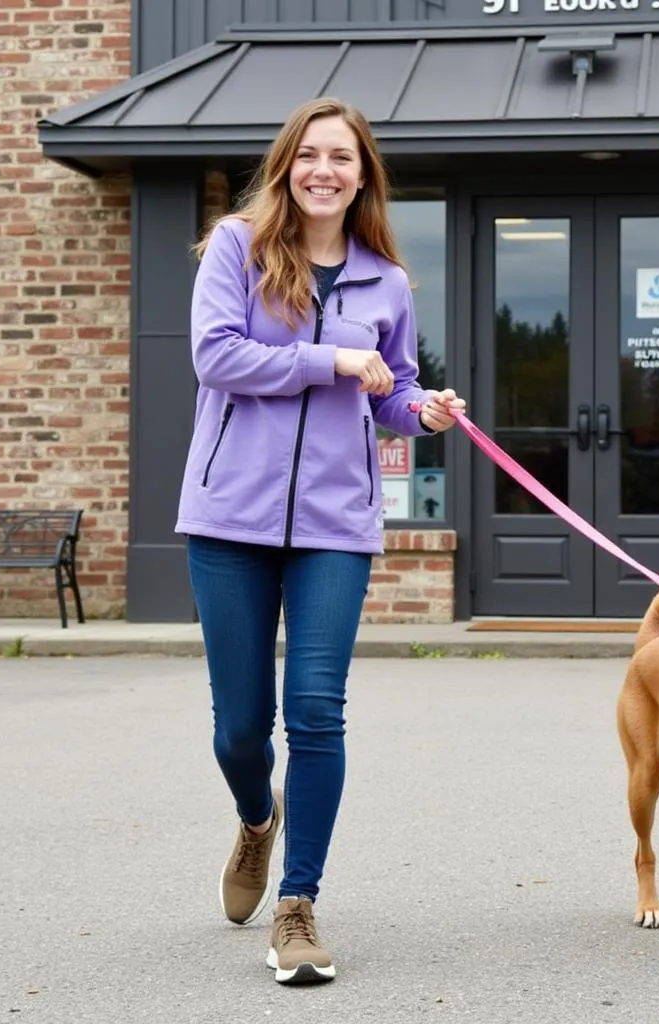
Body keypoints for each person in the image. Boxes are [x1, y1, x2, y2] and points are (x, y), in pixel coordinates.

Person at [175, 97, 465, 986]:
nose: (325, 170)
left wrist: (421, 409)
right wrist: (327, 360)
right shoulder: (237, 246)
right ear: (286, 166)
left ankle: (297, 907)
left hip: (337, 525)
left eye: (342, 157)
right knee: (239, 729)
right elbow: (216, 355)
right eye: (309, 156)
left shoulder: (386, 280)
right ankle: (256, 819)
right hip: (229, 514)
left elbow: (390, 390)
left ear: (363, 175)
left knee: (316, 712)